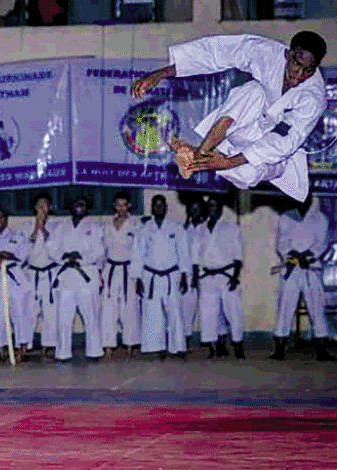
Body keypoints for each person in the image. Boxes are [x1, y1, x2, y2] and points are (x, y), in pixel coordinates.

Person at [133, 32, 327, 202]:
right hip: (247, 126)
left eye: (308, 70)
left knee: (248, 174)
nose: (300, 74)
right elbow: (218, 53)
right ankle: (199, 155)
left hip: (274, 157)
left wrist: (229, 163)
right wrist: (162, 73)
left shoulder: (313, 97)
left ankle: (198, 159)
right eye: (297, 64)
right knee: (255, 90)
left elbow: (285, 141)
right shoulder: (266, 53)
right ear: (288, 54)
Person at [271, 194, 335, 361]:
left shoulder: (320, 219)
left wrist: (307, 256)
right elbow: (282, 243)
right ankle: (279, 349)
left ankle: (321, 350)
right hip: (291, 269)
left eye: (305, 197)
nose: (301, 200)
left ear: (310, 199)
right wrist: (295, 257)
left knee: (316, 308)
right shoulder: (286, 217)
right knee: (285, 307)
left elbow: (321, 243)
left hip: (311, 268)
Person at [131, 195, 190, 358]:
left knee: (175, 312)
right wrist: (137, 278)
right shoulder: (143, 229)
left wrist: (185, 275)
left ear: (166, 207)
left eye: (161, 205)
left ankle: (177, 347)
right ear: (151, 208)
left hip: (172, 275)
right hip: (150, 276)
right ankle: (155, 347)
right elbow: (138, 254)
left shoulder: (176, 227)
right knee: (152, 313)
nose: (158, 208)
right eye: (155, 205)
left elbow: (183, 252)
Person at [48, 196, 105, 362]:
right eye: (76, 203)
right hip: (66, 275)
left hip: (86, 275)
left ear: (87, 208)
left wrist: (81, 256)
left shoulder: (95, 227)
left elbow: (100, 251)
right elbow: (51, 248)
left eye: (83, 204)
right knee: (64, 318)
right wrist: (63, 256)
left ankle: (94, 352)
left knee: (91, 317)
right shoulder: (60, 227)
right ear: (70, 207)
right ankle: (63, 353)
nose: (79, 206)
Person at [191, 195, 245, 360]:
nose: (212, 209)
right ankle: (213, 347)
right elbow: (195, 256)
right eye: (210, 206)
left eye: (216, 206)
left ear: (221, 208)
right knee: (208, 313)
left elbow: (238, 254)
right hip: (206, 276)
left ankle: (238, 345)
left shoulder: (231, 227)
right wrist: (195, 277)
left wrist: (235, 277)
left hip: (226, 275)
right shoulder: (200, 229)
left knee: (233, 312)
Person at [0, 208, 31, 362]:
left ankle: (22, 347)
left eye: (1, 217)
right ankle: (0, 348)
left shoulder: (17, 236)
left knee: (19, 312)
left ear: (6, 219)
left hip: (14, 275)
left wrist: (9, 255)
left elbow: (24, 254)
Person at [21, 193, 61, 358]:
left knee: (50, 312)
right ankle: (26, 345)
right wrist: (37, 227)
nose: (42, 209)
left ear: (49, 208)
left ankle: (47, 347)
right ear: (34, 208)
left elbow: (57, 250)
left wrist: (44, 228)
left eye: (45, 206)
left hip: (50, 272)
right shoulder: (26, 226)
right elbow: (24, 250)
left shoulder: (57, 226)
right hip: (33, 273)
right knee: (30, 310)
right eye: (39, 206)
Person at [101, 191, 140, 359]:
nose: (121, 208)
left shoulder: (136, 224)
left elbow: (139, 252)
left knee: (129, 307)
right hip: (110, 269)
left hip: (128, 270)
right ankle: (108, 345)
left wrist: (138, 276)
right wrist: (100, 273)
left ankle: (130, 344)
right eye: (118, 205)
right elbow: (102, 251)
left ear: (129, 206)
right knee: (109, 308)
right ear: (114, 206)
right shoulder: (106, 225)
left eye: (124, 205)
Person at [182, 198, 206, 353]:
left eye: (198, 208)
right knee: (187, 309)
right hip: (189, 274)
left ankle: (217, 343)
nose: (195, 211)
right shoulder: (184, 229)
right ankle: (184, 342)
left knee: (209, 309)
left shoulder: (208, 227)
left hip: (208, 273)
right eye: (192, 208)